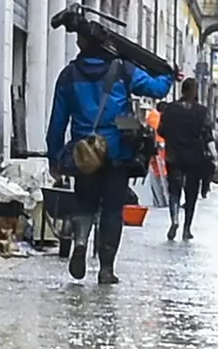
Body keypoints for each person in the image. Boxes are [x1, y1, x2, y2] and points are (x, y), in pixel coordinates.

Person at [44, 33, 175, 283]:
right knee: (113, 211)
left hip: (84, 153)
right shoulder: (124, 69)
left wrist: (55, 158)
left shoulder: (68, 75)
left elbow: (57, 121)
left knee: (84, 203)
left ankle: (80, 243)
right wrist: (168, 73)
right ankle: (106, 269)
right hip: (117, 153)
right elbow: (157, 88)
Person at [160, 89, 217, 240]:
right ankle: (187, 229)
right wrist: (214, 154)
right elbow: (207, 134)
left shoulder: (170, 109)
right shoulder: (202, 111)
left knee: (174, 190)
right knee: (191, 193)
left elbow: (161, 130)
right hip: (194, 157)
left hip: (174, 155)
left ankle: (174, 220)